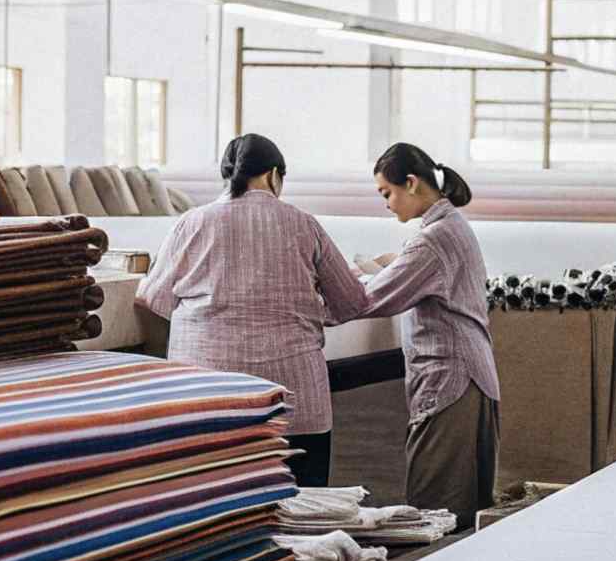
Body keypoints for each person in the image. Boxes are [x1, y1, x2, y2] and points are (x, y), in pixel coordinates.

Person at [136, 133, 369, 487]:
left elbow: (153, 297)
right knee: (304, 506)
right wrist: (307, 309)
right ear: (274, 174)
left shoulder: (192, 222)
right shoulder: (302, 223)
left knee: (212, 507)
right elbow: (351, 301)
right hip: (294, 400)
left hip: (205, 396)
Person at [358, 143, 500, 529]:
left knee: (433, 510)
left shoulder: (432, 239)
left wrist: (322, 293)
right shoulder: (449, 225)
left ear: (411, 182)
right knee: (465, 506)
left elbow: (372, 300)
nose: (386, 204)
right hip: (471, 376)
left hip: (450, 379)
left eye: (387, 193)